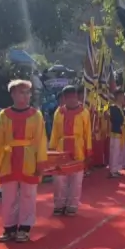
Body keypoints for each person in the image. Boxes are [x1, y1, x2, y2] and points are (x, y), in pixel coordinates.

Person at [0, 80, 48, 243]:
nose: (26, 96)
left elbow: (41, 140)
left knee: (28, 195)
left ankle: (25, 228)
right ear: (13, 94)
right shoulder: (4, 115)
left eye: (28, 92)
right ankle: (9, 228)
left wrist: (40, 162)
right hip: (8, 158)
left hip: (29, 158)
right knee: (9, 196)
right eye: (21, 92)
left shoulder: (36, 115)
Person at [49, 86, 91, 216]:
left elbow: (87, 133)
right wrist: (51, 150)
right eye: (67, 96)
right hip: (61, 150)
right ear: (64, 98)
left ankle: (72, 204)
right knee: (59, 179)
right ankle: (59, 204)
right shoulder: (59, 112)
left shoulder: (84, 112)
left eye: (73, 96)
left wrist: (88, 152)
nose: (71, 99)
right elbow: (54, 133)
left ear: (77, 96)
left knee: (76, 180)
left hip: (78, 149)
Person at [107, 91, 125, 178]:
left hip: (119, 131)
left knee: (118, 151)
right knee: (114, 152)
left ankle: (115, 169)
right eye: (122, 96)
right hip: (115, 132)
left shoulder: (120, 107)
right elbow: (117, 119)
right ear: (118, 96)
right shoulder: (113, 107)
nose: (123, 98)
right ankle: (113, 170)